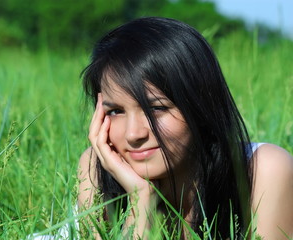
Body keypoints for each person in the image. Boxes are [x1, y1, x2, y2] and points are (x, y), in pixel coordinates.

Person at [78, 17, 293, 239]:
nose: (133, 134)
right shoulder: (96, 168)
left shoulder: (262, 171)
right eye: (115, 111)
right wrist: (140, 201)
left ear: (200, 104)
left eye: (156, 108)